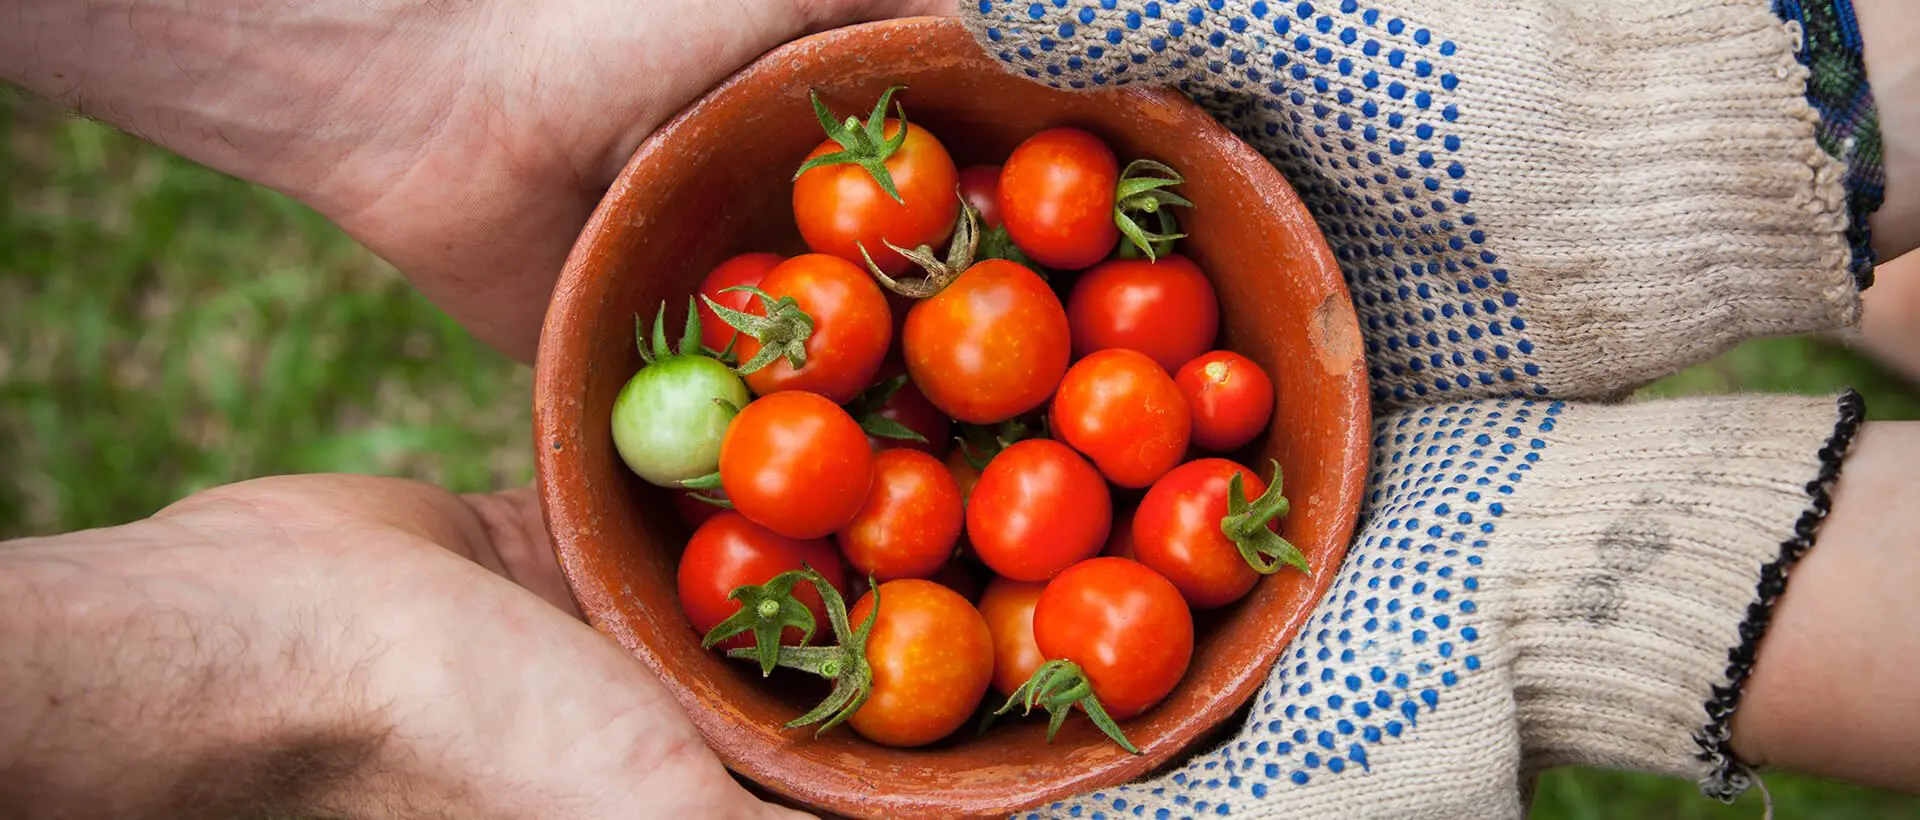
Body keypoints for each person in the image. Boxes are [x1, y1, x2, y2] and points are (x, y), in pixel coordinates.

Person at [2, 0, 1917, 817]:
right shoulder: (881, 451)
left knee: (1687, 162)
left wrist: (399, 73)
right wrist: (270, 689)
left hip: (1072, 485)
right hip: (1059, 521)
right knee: (1692, 497)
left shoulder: (888, 363)